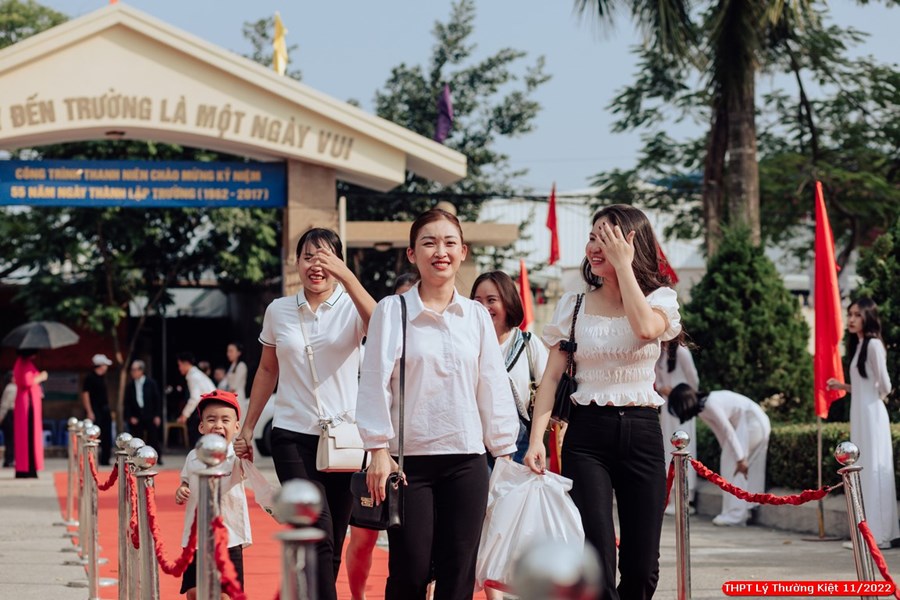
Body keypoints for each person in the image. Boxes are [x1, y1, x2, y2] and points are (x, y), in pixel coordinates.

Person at [358, 208, 519, 600]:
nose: (440, 252)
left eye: (449, 243)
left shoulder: (476, 316)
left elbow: (492, 384)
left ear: (463, 252)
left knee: (458, 573)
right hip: (409, 464)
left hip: (467, 460)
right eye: (429, 243)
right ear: (412, 254)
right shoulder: (392, 311)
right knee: (410, 572)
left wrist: (504, 451)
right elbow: (374, 381)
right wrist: (377, 448)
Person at [524, 204, 681, 600]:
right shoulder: (573, 304)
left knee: (642, 568)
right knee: (596, 559)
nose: (595, 247)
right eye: (592, 237)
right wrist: (536, 439)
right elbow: (551, 378)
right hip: (587, 436)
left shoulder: (660, 300)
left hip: (642, 434)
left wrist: (624, 268)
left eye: (606, 238)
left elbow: (645, 329)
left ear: (631, 245)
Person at [234, 227, 375, 600]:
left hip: (344, 440)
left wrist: (348, 277)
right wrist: (247, 427)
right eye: (309, 256)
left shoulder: (352, 306)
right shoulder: (278, 310)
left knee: (333, 540)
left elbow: (383, 328)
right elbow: (267, 370)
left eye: (326, 257)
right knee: (318, 529)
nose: (316, 265)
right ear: (295, 262)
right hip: (292, 435)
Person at [345, 273, 418, 600]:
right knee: (363, 537)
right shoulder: (373, 346)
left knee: (417, 542)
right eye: (402, 300)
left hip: (419, 453)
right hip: (376, 451)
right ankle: (358, 596)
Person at [827, 297, 900, 549]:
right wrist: (842, 386)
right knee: (863, 469)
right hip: (860, 412)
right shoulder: (859, 345)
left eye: (857, 315)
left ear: (868, 317)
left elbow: (885, 385)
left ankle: (878, 536)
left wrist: (873, 401)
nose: (851, 319)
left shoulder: (874, 345)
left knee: (875, 469)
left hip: (872, 415)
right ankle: (869, 533)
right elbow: (864, 385)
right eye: (850, 314)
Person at [175, 390, 250, 599]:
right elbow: (185, 480)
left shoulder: (236, 457)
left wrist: (246, 450)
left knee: (226, 594)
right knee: (193, 592)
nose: (218, 425)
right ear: (201, 427)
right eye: (211, 419)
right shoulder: (193, 456)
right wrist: (181, 490)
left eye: (225, 420)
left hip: (229, 537)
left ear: (236, 427)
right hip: (197, 536)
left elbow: (246, 468)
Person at [471, 270, 549, 465]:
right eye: (477, 301)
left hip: (520, 445)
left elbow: (547, 391)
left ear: (508, 302)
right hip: (474, 445)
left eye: (491, 300)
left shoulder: (529, 345)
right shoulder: (466, 345)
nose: (484, 308)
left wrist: (537, 441)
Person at [666, 384, 771, 527]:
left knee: (735, 468)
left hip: (752, 423)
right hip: (751, 423)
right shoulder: (703, 408)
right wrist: (729, 453)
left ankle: (735, 515)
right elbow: (720, 433)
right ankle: (739, 512)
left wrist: (740, 458)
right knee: (731, 464)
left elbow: (727, 430)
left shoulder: (710, 404)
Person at [655, 341, 699, 514]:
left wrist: (682, 395)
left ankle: (686, 497)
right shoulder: (660, 351)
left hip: (682, 407)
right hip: (667, 406)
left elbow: (693, 379)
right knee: (668, 448)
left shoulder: (682, 351)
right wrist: (662, 389)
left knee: (684, 448)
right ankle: (671, 496)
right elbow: (657, 379)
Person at [13, 349, 47, 478]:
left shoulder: (22, 363)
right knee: (28, 435)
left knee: (28, 435)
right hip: (27, 404)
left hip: (26, 402)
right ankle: (27, 468)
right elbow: (27, 381)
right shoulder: (24, 363)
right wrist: (41, 377)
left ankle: (27, 467)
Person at [123, 360, 164, 461]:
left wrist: (157, 415)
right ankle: (138, 459)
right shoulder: (130, 386)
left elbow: (157, 400)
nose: (133, 372)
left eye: (135, 370)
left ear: (141, 370)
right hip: (137, 415)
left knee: (153, 438)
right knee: (137, 440)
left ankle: (156, 458)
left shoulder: (151, 383)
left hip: (150, 414)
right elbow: (127, 403)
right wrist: (130, 417)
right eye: (132, 370)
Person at [176, 352, 217, 449]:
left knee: (199, 439)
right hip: (209, 409)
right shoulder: (197, 374)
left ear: (186, 363)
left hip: (206, 410)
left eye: (180, 365)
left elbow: (195, 398)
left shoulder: (193, 376)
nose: (179, 368)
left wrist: (184, 415)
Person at [82, 353, 114, 465]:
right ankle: (92, 458)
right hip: (95, 410)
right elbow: (85, 395)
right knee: (94, 435)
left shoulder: (103, 377)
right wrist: (89, 411)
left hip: (105, 409)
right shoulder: (90, 378)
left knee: (107, 434)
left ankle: (105, 459)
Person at [224, 342, 248, 417]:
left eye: (231, 351)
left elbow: (234, 387)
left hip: (237, 397)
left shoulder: (241, 365)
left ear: (238, 353)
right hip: (231, 396)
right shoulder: (232, 366)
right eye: (228, 351)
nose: (228, 354)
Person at [1, 373, 15, 467]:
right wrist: (1, 416)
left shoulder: (11, 387)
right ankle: (9, 460)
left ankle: (9, 459)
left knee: (10, 439)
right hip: (9, 415)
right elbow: (5, 405)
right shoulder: (11, 388)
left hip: (11, 414)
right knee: (10, 439)